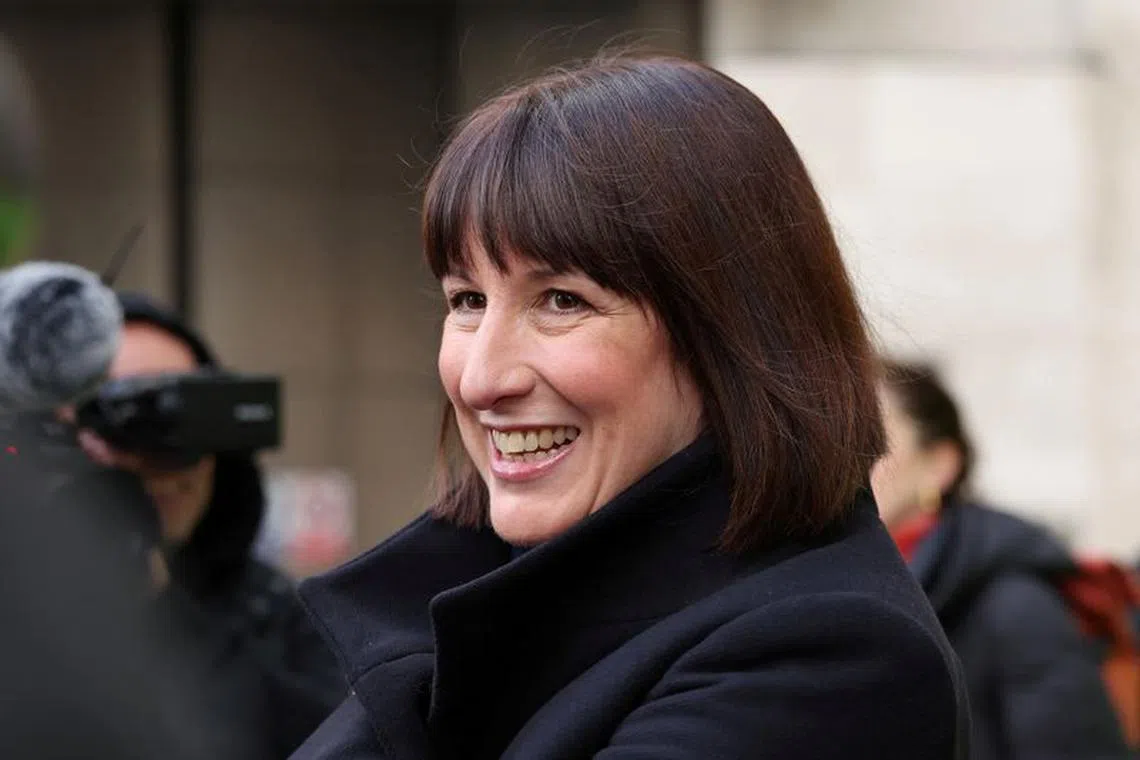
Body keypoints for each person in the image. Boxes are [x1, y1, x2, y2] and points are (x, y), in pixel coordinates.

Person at [291, 54, 970, 760]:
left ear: (732, 333)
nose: (480, 379)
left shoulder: (831, 659)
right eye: (467, 300)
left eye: (562, 301)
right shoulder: (485, 605)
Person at [75, 292, 346, 760]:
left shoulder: (279, 619)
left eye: (187, 408)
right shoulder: (21, 610)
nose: (166, 456)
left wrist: (169, 613)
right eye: (131, 411)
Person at [872, 359, 1133, 760]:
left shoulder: (1014, 603)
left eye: (873, 438)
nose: (847, 459)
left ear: (939, 465)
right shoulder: (837, 588)